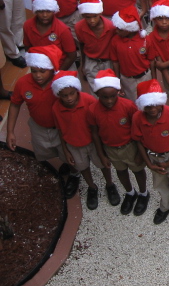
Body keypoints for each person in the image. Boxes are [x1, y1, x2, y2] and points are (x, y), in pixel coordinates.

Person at [6, 46, 83, 197]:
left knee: (68, 153)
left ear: (51, 68)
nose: (37, 75)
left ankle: (75, 174)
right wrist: (10, 131)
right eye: (34, 71)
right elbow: (15, 104)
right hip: (39, 127)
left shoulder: (61, 83)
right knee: (46, 150)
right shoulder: (23, 83)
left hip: (62, 129)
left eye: (42, 71)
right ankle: (66, 165)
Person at [52, 70, 119, 210]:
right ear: (58, 95)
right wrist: (66, 151)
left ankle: (110, 184)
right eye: (64, 95)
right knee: (83, 167)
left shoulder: (88, 100)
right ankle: (92, 187)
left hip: (93, 143)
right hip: (74, 145)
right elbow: (60, 130)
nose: (69, 98)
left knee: (103, 164)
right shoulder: (56, 108)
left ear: (77, 90)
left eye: (71, 93)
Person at [89, 69, 150, 216]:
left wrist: (141, 151)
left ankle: (143, 193)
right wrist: (102, 154)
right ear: (97, 95)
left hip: (130, 146)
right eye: (105, 97)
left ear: (118, 92)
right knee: (121, 171)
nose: (109, 101)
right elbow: (95, 134)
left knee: (138, 170)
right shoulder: (92, 110)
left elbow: (138, 128)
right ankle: (130, 192)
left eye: (112, 96)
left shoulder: (128, 106)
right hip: (110, 148)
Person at [132, 79, 169, 224]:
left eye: (155, 105)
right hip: (152, 156)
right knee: (159, 181)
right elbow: (138, 141)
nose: (152, 109)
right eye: (148, 106)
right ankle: (166, 204)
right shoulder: (137, 118)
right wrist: (149, 163)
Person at [110, 5, 156, 101]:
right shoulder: (115, 41)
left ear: (129, 29)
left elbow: (151, 60)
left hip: (145, 77)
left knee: (148, 101)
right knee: (132, 104)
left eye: (120, 29)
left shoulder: (146, 40)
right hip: (127, 80)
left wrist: (154, 79)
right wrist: (118, 81)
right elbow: (115, 62)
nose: (116, 31)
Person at [24, 0, 76, 70]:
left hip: (62, 66)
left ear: (53, 11)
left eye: (48, 11)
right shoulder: (27, 26)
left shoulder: (63, 29)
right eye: (41, 11)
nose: (45, 15)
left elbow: (71, 56)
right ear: (36, 11)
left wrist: (58, 73)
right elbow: (27, 47)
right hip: (39, 67)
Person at [75, 0, 115, 92]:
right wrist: (83, 65)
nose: (92, 20)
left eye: (95, 16)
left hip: (108, 62)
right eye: (88, 17)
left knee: (110, 91)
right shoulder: (79, 27)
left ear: (100, 13)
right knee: (95, 92)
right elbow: (82, 45)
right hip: (91, 62)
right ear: (83, 15)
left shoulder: (111, 26)